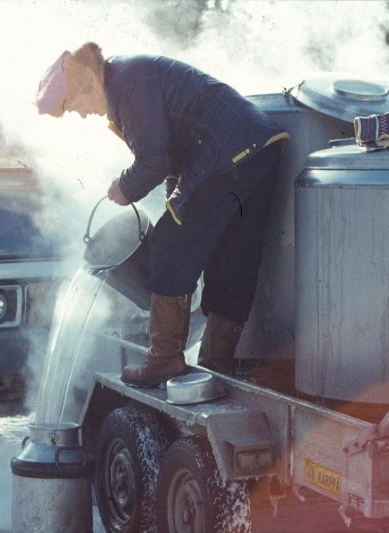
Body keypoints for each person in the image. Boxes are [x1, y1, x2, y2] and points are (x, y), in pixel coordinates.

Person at [36, 42, 289, 388]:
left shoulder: (126, 84)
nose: (81, 114)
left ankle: (165, 359)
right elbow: (175, 154)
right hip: (259, 148)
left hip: (228, 152)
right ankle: (217, 364)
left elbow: (155, 158)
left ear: (89, 80)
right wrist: (172, 197)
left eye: (73, 106)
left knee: (169, 243)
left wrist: (123, 187)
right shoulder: (128, 77)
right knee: (231, 256)